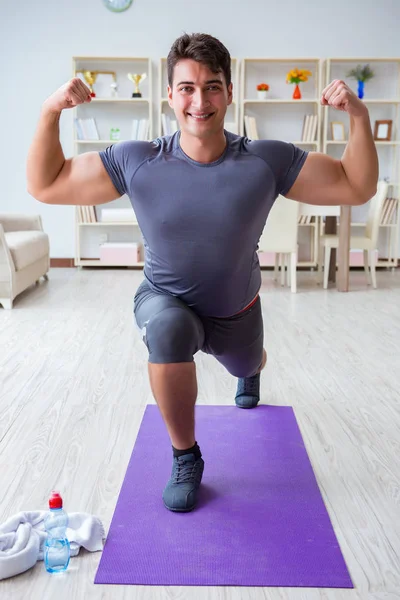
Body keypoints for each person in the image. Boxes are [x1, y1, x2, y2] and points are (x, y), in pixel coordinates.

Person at [27, 33, 378, 513]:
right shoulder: (139, 160)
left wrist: (358, 117)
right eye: (187, 88)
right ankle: (186, 456)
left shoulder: (264, 160)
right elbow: (46, 184)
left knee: (247, 362)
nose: (200, 100)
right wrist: (51, 113)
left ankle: (250, 370)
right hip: (164, 298)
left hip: (237, 310)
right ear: (169, 95)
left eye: (212, 86)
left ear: (229, 93)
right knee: (167, 330)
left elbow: (355, 185)